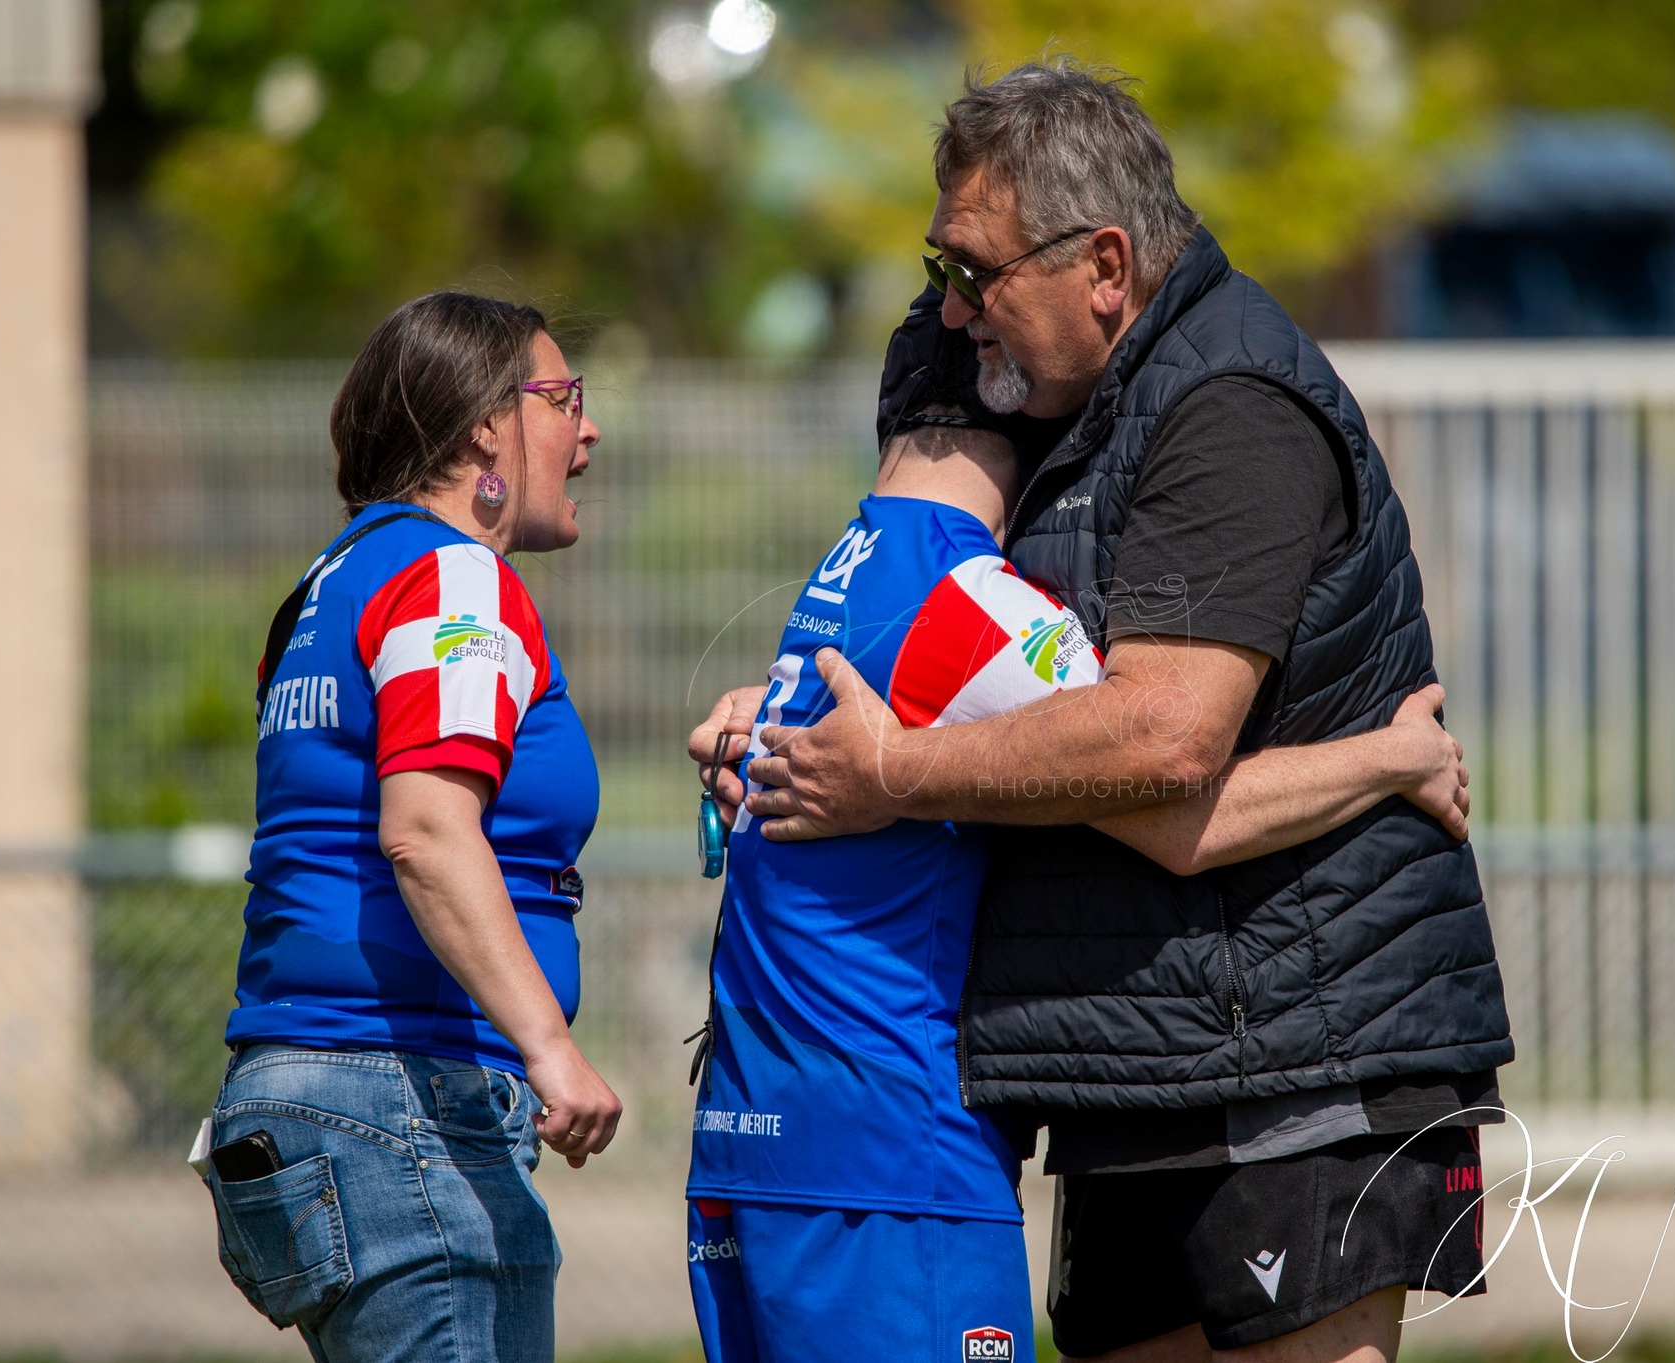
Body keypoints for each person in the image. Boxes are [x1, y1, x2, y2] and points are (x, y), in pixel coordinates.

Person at [694, 61, 1513, 1362]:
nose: (951, 313)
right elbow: (996, 682)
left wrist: (895, 767)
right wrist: (782, 710)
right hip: (1141, 1061)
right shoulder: (1082, 412)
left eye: (976, 273)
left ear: (1108, 264)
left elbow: (1163, 739)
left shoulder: (1227, 405)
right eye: (936, 267)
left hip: (1291, 1060)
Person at [204, 291, 621, 1362]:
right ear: (487, 425)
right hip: (401, 1104)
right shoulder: (452, 576)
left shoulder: (325, 585)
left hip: (299, 1090)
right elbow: (427, 830)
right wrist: (552, 1050)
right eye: (562, 398)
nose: (587, 431)